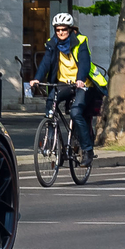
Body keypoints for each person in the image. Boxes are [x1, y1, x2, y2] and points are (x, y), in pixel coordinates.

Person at [34, 14, 104, 154]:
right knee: (50, 105)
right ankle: (53, 140)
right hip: (63, 83)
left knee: (75, 112)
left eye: (64, 29)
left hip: (82, 84)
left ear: (70, 29)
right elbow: (45, 63)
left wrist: (80, 79)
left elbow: (84, 62)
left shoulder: (80, 41)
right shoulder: (52, 43)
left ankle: (87, 149)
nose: (60, 32)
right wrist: (37, 78)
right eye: (58, 29)